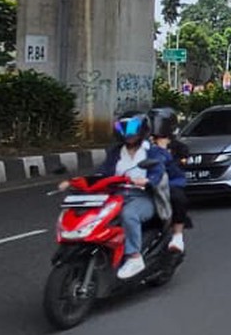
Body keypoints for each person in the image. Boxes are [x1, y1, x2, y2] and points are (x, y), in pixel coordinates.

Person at [65, 113, 169, 280]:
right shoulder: (115, 152)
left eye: (133, 131)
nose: (129, 135)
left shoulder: (153, 152)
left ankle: (134, 256)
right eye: (125, 131)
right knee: (94, 216)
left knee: (129, 214)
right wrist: (79, 182)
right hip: (115, 196)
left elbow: (158, 172)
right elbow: (103, 172)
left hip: (142, 197)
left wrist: (147, 180)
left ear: (143, 131)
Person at [148, 107, 191, 255]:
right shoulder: (142, 144)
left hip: (170, 181)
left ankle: (178, 235)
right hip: (142, 180)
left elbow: (179, 165)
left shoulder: (177, 146)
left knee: (178, 197)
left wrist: (167, 155)